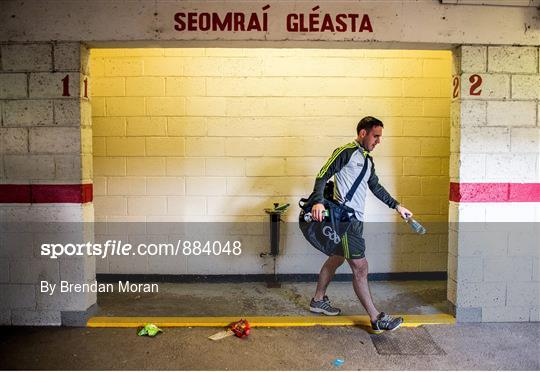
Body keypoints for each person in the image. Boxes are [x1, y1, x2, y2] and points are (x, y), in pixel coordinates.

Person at [308, 116, 413, 334]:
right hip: (345, 219)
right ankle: (376, 318)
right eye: (376, 136)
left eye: (380, 137)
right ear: (363, 133)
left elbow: (376, 187)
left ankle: (318, 300)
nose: (378, 141)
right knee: (361, 267)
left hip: (354, 220)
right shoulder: (345, 152)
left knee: (336, 258)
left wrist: (397, 206)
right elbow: (322, 174)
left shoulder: (367, 161)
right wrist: (317, 201)